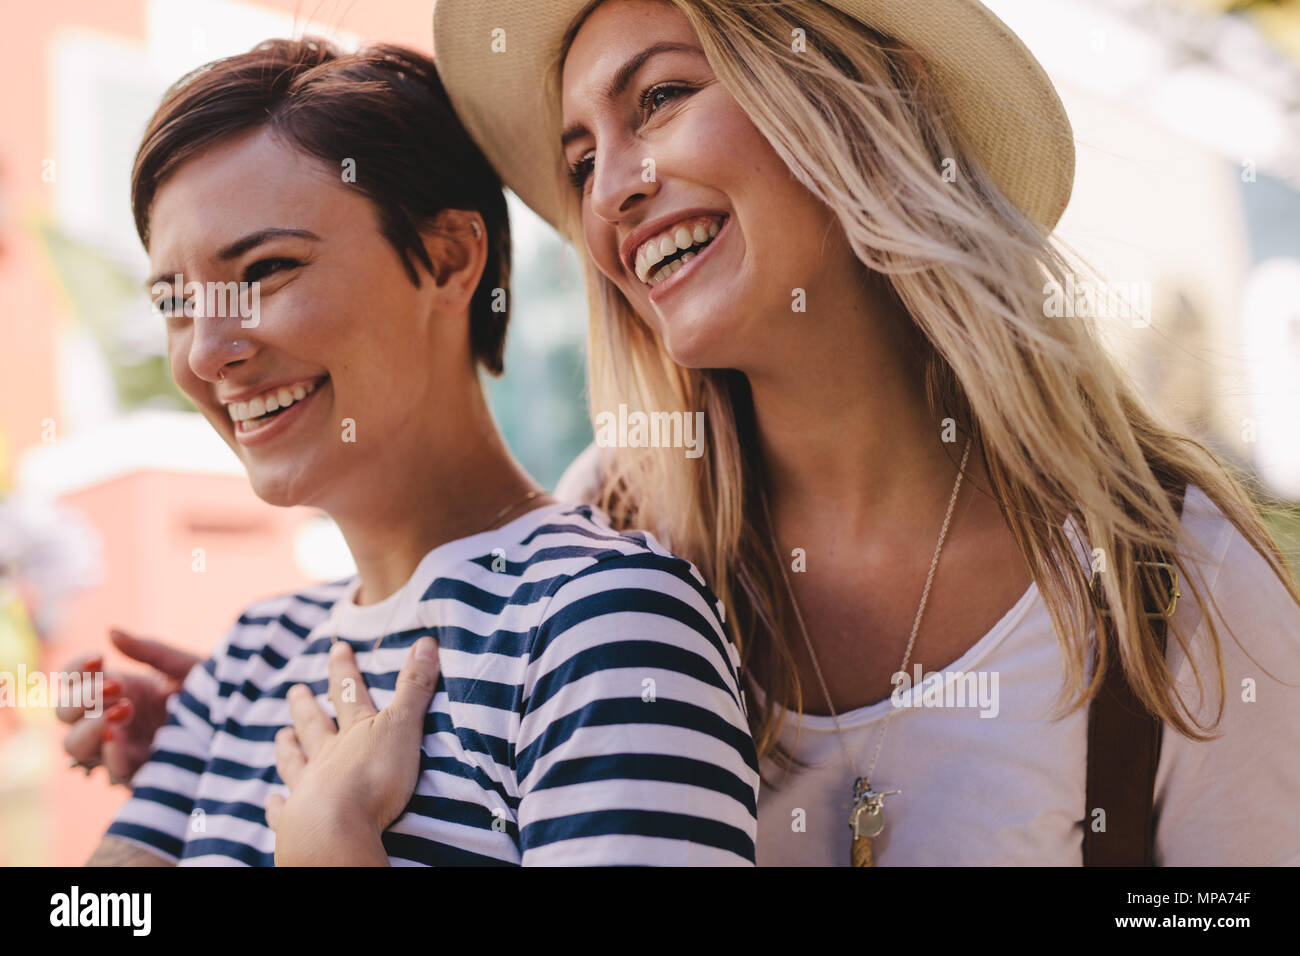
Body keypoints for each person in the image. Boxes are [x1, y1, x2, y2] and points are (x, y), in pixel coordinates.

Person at [429, 0, 1300, 864]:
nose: (613, 190)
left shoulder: (1186, 581)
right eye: (581, 163)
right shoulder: (600, 539)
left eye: (659, 98)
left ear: (875, 101)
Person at [62, 36, 758, 866]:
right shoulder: (248, 656)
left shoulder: (604, 628)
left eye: (265, 270)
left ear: (449, 257)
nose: (207, 352)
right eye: (177, 303)